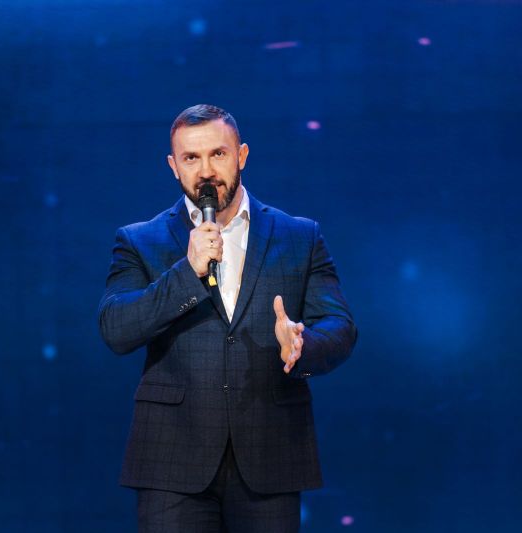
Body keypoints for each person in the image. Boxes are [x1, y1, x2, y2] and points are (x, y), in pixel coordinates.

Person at [98, 104, 357, 532]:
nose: (205, 171)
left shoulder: (298, 236)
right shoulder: (140, 240)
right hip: (172, 460)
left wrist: (302, 343)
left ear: (242, 155)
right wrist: (187, 273)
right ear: (173, 166)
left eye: (217, 154)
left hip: (270, 453)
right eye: (191, 158)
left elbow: (340, 326)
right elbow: (116, 328)